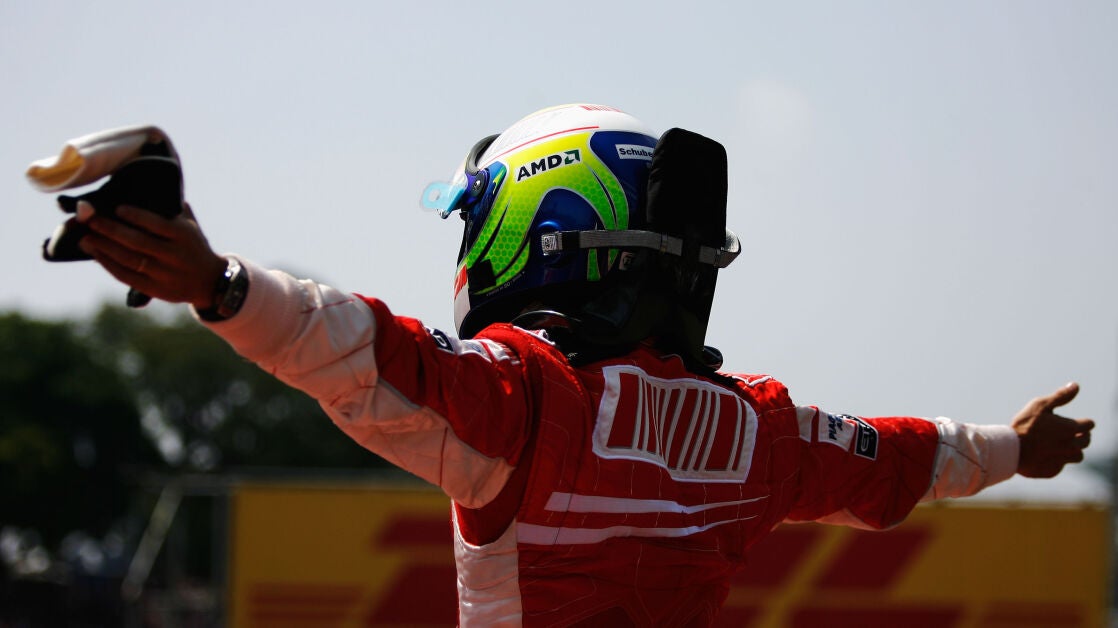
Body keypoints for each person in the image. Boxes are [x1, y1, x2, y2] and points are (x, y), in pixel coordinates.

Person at [69, 104, 1092, 627]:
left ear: (538, 223)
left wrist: (219, 284)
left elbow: (355, 350)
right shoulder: (758, 433)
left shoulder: (527, 400)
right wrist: (1016, 448)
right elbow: (898, 458)